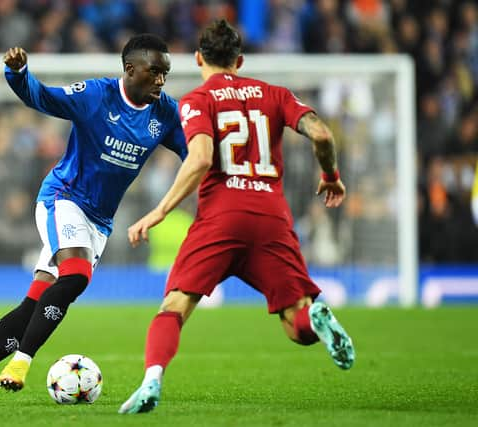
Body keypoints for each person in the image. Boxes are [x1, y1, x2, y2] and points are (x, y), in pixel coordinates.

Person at [0, 34, 187, 405]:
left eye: (166, 73)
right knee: (77, 275)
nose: (161, 81)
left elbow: (195, 150)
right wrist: (18, 74)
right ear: (130, 69)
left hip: (99, 221)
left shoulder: (164, 113)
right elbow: (44, 97)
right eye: (155, 72)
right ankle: (22, 362)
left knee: (34, 306)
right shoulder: (96, 96)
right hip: (62, 198)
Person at [119, 19, 355, 415]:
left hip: (222, 217)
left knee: (174, 306)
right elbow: (322, 134)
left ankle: (151, 379)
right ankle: (316, 318)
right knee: (294, 322)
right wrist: (330, 176)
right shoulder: (276, 94)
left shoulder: (197, 99)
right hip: (270, 216)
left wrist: (158, 212)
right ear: (240, 60)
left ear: (198, 58)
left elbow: (201, 158)